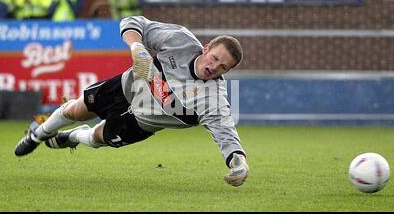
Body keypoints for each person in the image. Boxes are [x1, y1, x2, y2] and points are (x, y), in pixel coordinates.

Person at [14, 15, 250, 187]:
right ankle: (39, 134)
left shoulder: (214, 99)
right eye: (215, 58)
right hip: (124, 88)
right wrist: (136, 46)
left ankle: (73, 136)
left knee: (97, 138)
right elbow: (134, 22)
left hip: (139, 124)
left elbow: (226, 132)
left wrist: (238, 162)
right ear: (206, 48)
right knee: (76, 110)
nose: (214, 67)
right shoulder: (180, 41)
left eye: (223, 67)